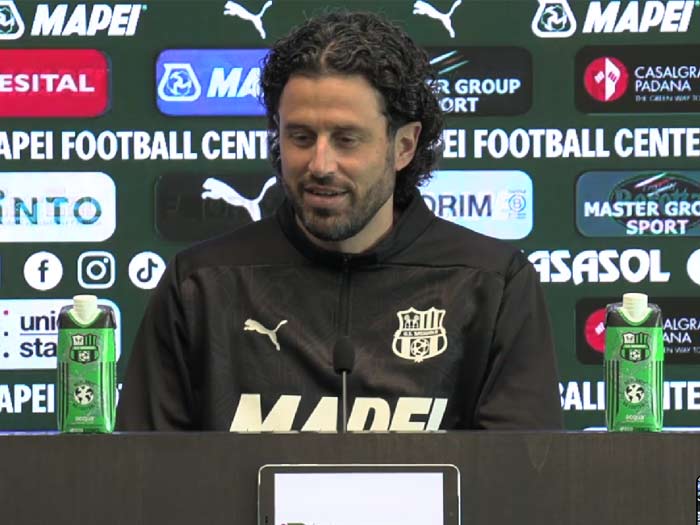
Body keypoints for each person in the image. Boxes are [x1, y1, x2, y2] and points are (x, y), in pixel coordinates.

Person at [116, 11, 562, 431]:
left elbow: (521, 474)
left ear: (404, 146)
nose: (320, 164)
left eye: (347, 139)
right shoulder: (200, 287)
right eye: (300, 137)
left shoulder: (491, 285)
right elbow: (142, 475)